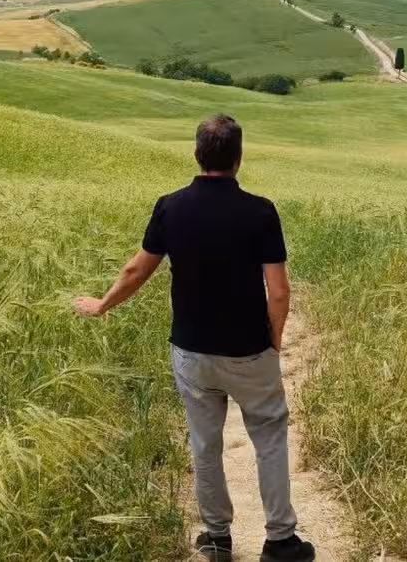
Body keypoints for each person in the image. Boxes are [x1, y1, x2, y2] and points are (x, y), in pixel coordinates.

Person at [74, 114, 315, 562]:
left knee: (205, 443)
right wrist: (274, 341)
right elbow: (279, 291)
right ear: (239, 159)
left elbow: (136, 271)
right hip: (249, 351)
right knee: (270, 438)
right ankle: (281, 540)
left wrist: (102, 305)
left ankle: (217, 539)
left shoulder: (171, 206)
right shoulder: (261, 211)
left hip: (192, 351)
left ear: (196, 154)